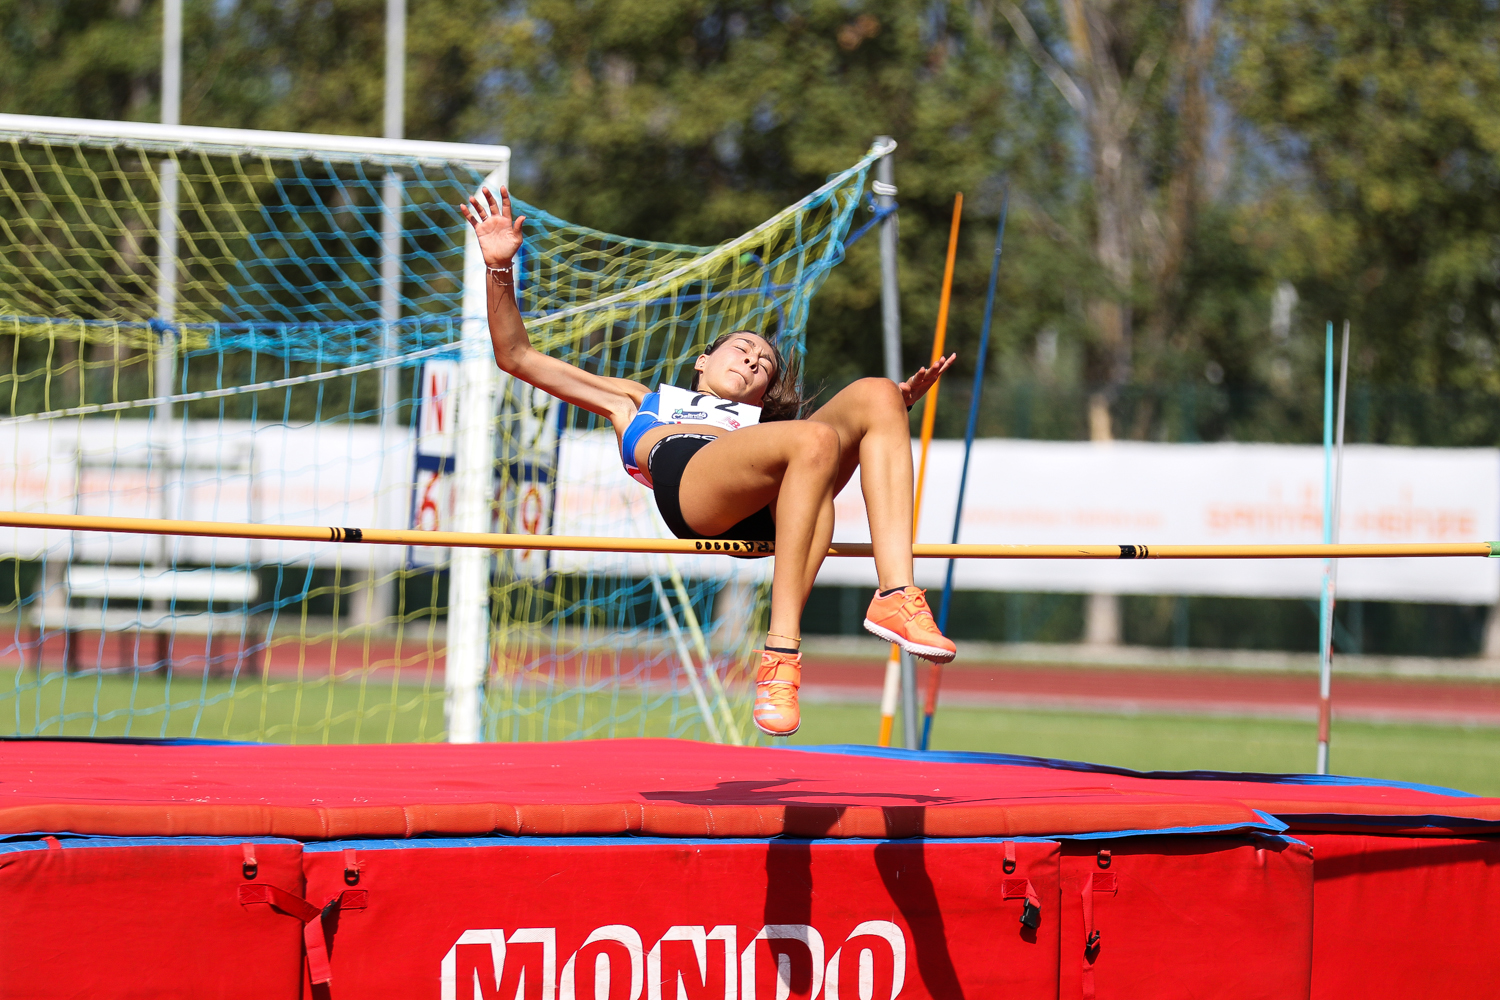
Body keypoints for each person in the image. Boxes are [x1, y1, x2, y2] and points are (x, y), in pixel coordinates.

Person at [461, 186, 958, 736]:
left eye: (765, 364)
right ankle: (780, 658)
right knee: (814, 440)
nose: (754, 359)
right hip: (695, 494)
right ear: (702, 361)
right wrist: (499, 269)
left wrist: (889, 412)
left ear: (764, 393)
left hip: (773, 508)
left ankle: (896, 595)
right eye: (742, 348)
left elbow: (826, 434)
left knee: (879, 394)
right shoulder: (639, 401)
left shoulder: (768, 429)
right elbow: (516, 356)